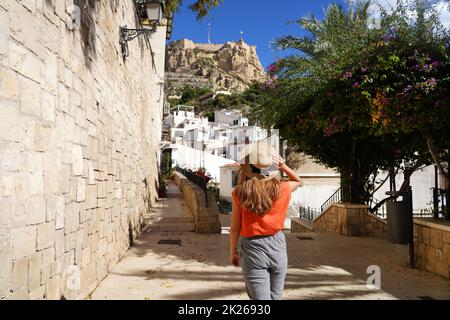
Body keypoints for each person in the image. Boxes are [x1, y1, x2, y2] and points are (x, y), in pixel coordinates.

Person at [230, 150, 301, 300]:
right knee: (276, 296)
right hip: (277, 244)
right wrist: (283, 166)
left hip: (252, 247)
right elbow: (298, 181)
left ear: (249, 168)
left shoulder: (240, 193)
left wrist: (233, 251)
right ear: (271, 169)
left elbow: (235, 228)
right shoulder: (282, 189)